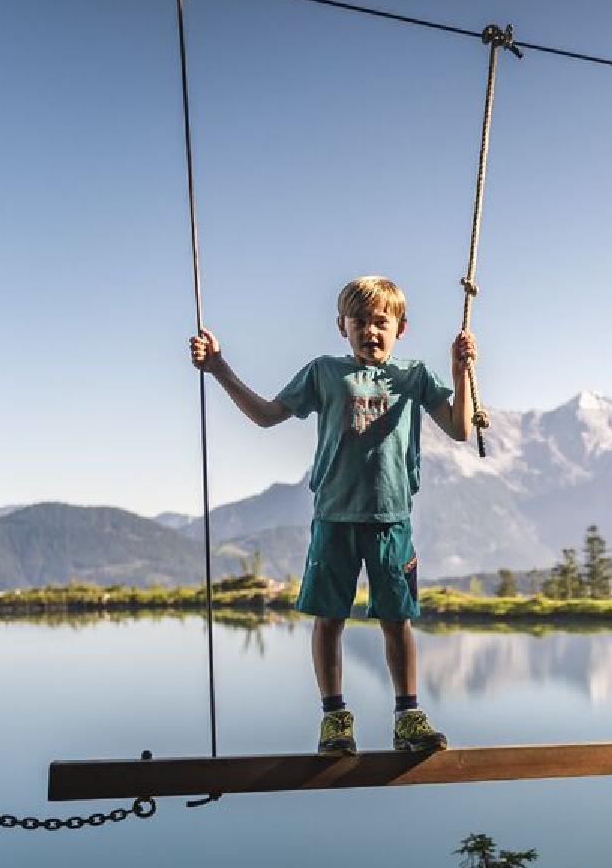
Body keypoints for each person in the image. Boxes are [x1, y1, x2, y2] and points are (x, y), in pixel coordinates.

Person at [188, 275, 487, 754]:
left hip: (391, 520)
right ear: (341, 326)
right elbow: (265, 415)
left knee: (397, 620)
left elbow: (460, 429)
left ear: (401, 328)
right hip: (334, 517)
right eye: (360, 321)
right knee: (329, 619)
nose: (371, 331)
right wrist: (219, 368)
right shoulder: (324, 373)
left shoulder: (413, 375)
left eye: (381, 322)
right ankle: (334, 719)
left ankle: (408, 716)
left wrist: (459, 372)